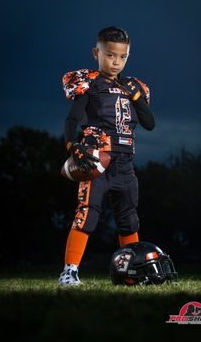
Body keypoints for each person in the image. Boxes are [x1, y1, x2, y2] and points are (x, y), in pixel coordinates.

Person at [58, 26, 155, 285]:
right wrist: (72, 147)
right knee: (87, 213)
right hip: (98, 159)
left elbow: (149, 123)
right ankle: (69, 271)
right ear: (96, 53)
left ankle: (132, 273)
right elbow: (71, 119)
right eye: (110, 55)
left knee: (129, 219)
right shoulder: (88, 82)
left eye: (122, 57)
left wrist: (136, 96)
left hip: (126, 163)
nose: (116, 62)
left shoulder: (134, 86)